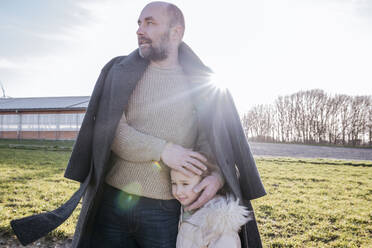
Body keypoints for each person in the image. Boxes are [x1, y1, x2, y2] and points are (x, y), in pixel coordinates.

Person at [11, 2, 266, 248]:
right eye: (139, 23)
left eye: (150, 22)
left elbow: (212, 142)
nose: (139, 30)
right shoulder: (119, 72)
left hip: (165, 212)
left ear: (176, 32)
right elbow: (114, 133)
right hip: (111, 202)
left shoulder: (203, 82)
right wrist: (164, 150)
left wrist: (217, 175)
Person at [171, 168, 252, 248]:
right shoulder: (186, 208)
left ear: (205, 183)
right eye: (174, 183)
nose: (178, 191)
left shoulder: (220, 222)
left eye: (185, 184)